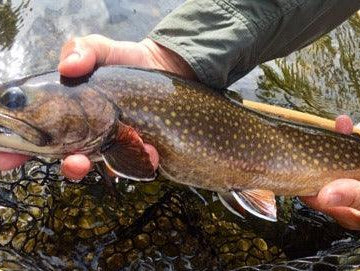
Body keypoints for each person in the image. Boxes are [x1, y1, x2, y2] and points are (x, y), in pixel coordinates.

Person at [1, 0, 360, 229]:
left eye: (13, 101)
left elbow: (137, 164)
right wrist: (176, 56)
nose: (9, 109)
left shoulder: (107, 101)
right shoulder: (108, 99)